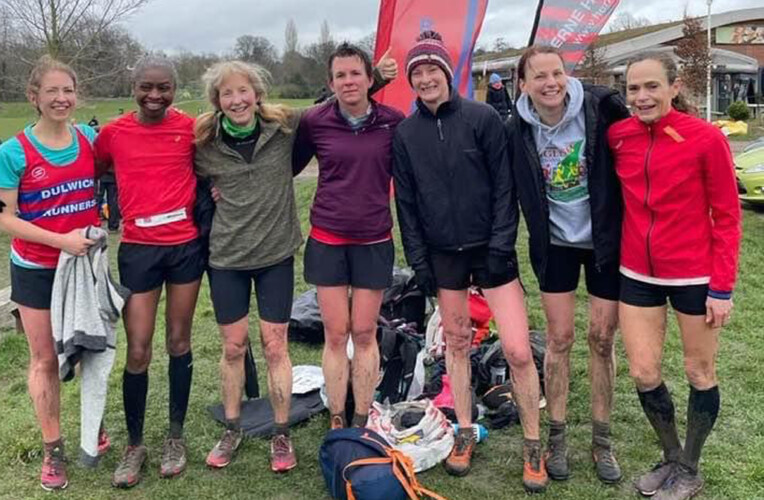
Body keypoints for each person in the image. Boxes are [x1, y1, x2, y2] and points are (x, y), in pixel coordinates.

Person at [194, 51, 398, 470]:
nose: (237, 99)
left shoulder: (284, 127)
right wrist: (208, 199)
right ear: (217, 100)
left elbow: (345, 100)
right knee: (233, 347)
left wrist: (374, 78)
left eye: (243, 90)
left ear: (257, 94)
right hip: (228, 256)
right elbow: (186, 179)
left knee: (278, 345)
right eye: (227, 93)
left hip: (278, 253)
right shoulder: (204, 144)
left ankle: (285, 432)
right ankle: (232, 429)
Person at [392, 31, 547, 493]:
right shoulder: (406, 133)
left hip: (491, 251)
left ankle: (533, 442)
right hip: (444, 257)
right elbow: (407, 204)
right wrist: (419, 262)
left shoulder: (482, 118)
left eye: (432, 70)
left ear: (447, 73)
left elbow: (505, 187)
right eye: (417, 73)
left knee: (518, 350)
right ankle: (463, 429)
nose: (425, 79)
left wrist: (500, 244)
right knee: (456, 344)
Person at [607, 52, 741, 500]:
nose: (642, 96)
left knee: (699, 372)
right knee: (643, 371)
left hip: (694, 275)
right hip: (637, 272)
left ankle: (690, 468)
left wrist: (721, 287)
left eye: (652, 86)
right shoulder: (618, 136)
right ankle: (670, 455)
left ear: (674, 87)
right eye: (633, 88)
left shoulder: (706, 139)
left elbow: (727, 216)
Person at [506, 45, 630, 484]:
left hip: (604, 242)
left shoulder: (601, 108)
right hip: (555, 244)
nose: (551, 83)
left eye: (557, 73)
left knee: (602, 339)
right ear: (524, 84)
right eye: (540, 76)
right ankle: (556, 437)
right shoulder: (515, 128)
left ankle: (601, 439)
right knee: (559, 339)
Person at [95, 55, 204, 488]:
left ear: (175, 89)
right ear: (133, 87)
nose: (154, 95)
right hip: (139, 250)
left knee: (178, 340)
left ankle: (175, 438)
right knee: (138, 349)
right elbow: (93, 171)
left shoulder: (191, 129)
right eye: (146, 87)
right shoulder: (113, 133)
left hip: (185, 248)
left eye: (163, 88)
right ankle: (135, 445)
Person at [0, 56, 101, 491]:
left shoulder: (90, 139)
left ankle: (93, 425)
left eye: (68, 90)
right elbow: (5, 217)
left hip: (84, 267)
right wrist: (60, 241)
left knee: (89, 350)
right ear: (34, 96)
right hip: (37, 268)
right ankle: (53, 448)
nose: (61, 99)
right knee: (44, 359)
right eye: (52, 91)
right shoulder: (13, 152)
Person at [293, 42, 404, 431]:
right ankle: (338, 416)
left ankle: (362, 416)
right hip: (328, 240)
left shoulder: (393, 121)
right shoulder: (314, 121)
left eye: (356, 73)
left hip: (373, 239)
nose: (348, 81)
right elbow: (285, 167)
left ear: (371, 79)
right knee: (336, 334)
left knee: (365, 332)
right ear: (331, 83)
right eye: (340, 75)